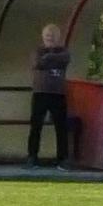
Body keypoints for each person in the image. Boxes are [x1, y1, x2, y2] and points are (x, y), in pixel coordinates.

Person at [27, 24, 71, 169]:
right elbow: (37, 63)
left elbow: (65, 60)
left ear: (58, 37)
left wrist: (48, 57)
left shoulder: (64, 51)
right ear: (43, 37)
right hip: (40, 92)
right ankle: (32, 157)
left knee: (61, 127)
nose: (50, 38)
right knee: (36, 126)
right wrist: (52, 60)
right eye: (47, 36)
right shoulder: (37, 51)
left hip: (58, 93)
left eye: (53, 36)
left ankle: (62, 159)